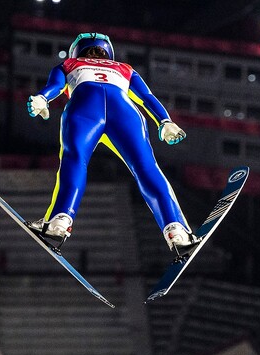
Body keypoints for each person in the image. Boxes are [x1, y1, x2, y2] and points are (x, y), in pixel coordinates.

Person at [27, 32, 198, 254]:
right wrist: (164, 122)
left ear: (77, 50)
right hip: (125, 114)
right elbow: (147, 97)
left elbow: (56, 86)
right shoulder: (125, 68)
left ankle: (60, 220)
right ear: (107, 51)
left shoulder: (69, 63)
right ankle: (176, 231)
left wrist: (42, 98)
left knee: (75, 160)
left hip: (84, 109)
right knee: (146, 169)